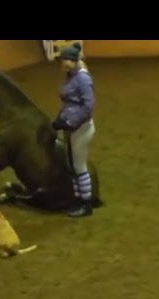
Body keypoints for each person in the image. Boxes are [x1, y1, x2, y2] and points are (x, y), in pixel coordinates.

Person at [52, 43, 96, 217]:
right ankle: (78, 199)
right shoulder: (71, 76)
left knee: (79, 165)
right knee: (71, 164)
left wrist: (71, 121)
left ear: (72, 61)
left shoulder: (83, 79)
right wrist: (60, 119)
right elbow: (69, 103)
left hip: (81, 128)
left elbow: (88, 106)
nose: (62, 64)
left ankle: (86, 204)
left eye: (64, 61)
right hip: (70, 126)